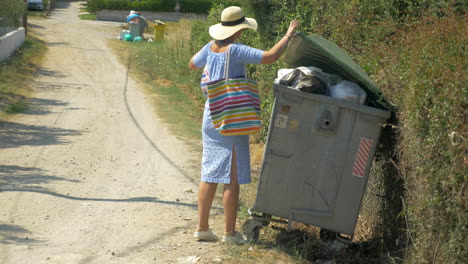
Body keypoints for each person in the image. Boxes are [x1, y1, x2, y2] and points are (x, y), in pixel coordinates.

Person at [189, 6, 299, 244]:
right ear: (238, 30)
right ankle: (229, 232)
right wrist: (288, 36)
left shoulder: (209, 47)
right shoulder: (236, 50)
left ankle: (202, 227)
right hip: (232, 118)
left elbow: (192, 64)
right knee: (232, 177)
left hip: (211, 115)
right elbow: (270, 57)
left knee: (209, 173)